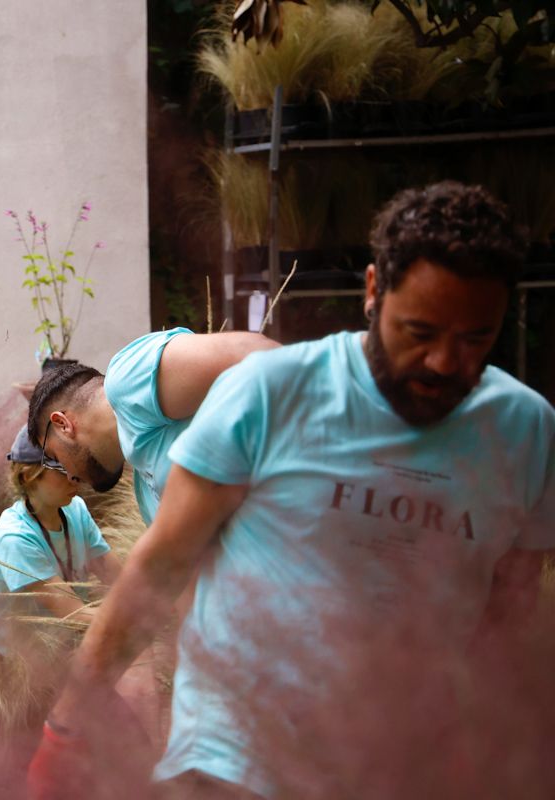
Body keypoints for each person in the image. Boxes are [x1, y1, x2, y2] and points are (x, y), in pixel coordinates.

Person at [28, 181, 555, 799]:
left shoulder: (524, 430)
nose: (444, 361)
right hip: (238, 762)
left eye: (475, 338)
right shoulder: (271, 395)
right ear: (371, 292)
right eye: (420, 331)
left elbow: (510, 615)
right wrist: (66, 729)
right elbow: (158, 568)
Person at [27, 330, 277, 527]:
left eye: (54, 458)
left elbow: (260, 356)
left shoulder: (126, 382)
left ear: (62, 424)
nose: (68, 476)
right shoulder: (146, 495)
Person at [0, 425, 121, 651]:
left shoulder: (75, 508)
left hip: (63, 640)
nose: (76, 478)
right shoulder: (14, 539)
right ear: (28, 476)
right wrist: (142, 616)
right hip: (22, 661)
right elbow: (76, 616)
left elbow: (115, 578)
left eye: (77, 465)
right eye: (63, 469)